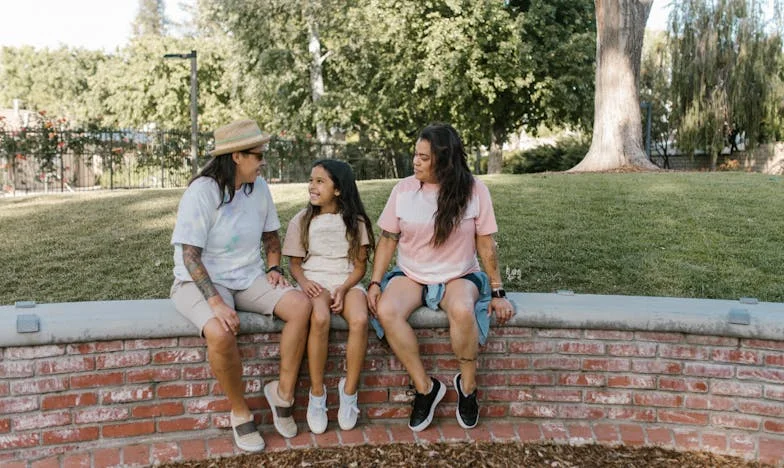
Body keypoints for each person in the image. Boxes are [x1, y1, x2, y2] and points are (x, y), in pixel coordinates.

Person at [170, 119, 312, 452]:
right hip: (198, 280)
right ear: (236, 156)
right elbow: (190, 257)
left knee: (301, 306)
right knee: (220, 332)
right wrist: (217, 303)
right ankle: (239, 410)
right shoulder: (202, 191)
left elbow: (271, 237)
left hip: (247, 277)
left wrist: (275, 266)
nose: (263, 161)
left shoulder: (259, 187)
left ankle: (283, 393)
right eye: (258, 155)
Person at [367, 123, 515, 432]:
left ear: (443, 160)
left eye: (423, 157)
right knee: (387, 311)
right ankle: (425, 389)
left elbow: (485, 244)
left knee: (462, 310)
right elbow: (387, 239)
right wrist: (375, 282)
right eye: (415, 155)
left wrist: (498, 292)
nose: (415, 162)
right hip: (412, 273)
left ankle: (468, 387)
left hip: (458, 274)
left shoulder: (475, 190)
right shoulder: (403, 190)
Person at [282, 159, 375, 433]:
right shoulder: (301, 220)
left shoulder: (355, 222)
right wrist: (305, 282)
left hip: (345, 280)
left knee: (359, 320)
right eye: (311, 180)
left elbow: (360, 267)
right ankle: (317, 394)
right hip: (315, 281)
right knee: (320, 318)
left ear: (338, 189)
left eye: (320, 181)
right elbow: (295, 264)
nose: (312, 186)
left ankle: (348, 393)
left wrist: (344, 288)